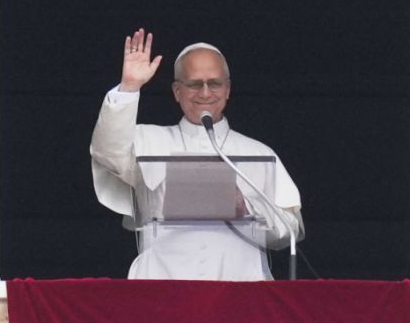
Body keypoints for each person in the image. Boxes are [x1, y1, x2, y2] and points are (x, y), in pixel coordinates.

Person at [90, 28, 303, 280]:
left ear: (227, 89)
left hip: (240, 288)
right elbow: (108, 152)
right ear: (177, 91)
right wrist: (129, 88)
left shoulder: (258, 153)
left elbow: (288, 231)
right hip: (162, 285)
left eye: (214, 83)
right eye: (194, 84)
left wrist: (247, 210)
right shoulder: (148, 140)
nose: (205, 93)